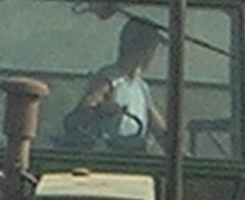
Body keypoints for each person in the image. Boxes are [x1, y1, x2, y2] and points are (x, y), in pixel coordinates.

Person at [63, 18, 167, 151]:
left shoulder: (141, 88)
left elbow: (161, 133)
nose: (153, 55)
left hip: (135, 157)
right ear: (143, 51)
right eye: (153, 49)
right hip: (109, 159)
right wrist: (100, 110)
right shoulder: (108, 80)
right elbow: (75, 120)